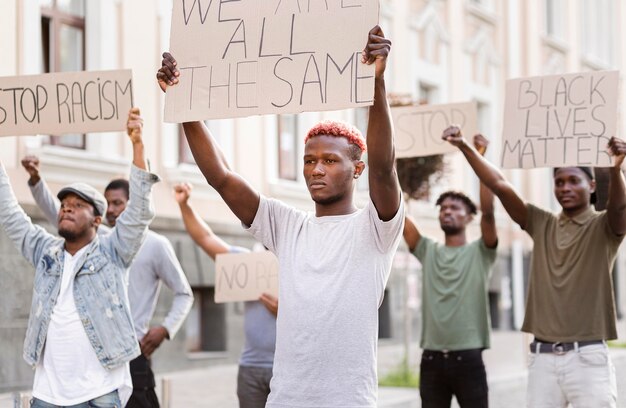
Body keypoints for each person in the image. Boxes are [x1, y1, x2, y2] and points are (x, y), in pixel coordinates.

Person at [157, 25, 404, 407]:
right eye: (308, 160)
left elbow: (385, 167)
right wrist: (184, 107)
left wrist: (376, 85)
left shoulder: (375, 228)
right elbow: (222, 178)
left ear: (356, 170)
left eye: (329, 161)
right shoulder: (287, 225)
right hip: (286, 399)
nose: (315, 169)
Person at [442, 125, 626, 407]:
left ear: (591, 186)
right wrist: (465, 146)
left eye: (573, 180)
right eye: (559, 181)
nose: (564, 187)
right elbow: (500, 186)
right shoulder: (542, 223)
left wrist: (616, 170)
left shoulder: (604, 226)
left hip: (588, 359)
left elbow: (619, 207)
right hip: (542, 360)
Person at [0, 108, 159, 407]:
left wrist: (138, 145)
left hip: (98, 394)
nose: (67, 208)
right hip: (47, 395)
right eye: (63, 204)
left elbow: (138, 212)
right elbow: (10, 213)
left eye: (77, 204)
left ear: (97, 220)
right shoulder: (44, 252)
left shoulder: (113, 252)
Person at [21, 151, 194, 408]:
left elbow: (184, 293)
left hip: (132, 349)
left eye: (118, 203)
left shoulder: (156, 244)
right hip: (96, 351)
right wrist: (36, 180)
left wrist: (165, 329)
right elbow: (55, 212)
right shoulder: (97, 238)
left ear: (132, 203)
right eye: (108, 204)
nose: (112, 209)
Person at [403, 134, 497, 408]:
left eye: (455, 207)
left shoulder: (482, 251)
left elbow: (489, 211)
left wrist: (478, 157)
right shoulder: (428, 249)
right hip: (431, 359)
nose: (447, 211)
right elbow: (400, 217)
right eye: (443, 208)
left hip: (468, 358)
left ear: (469, 217)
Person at [174, 182, 278, 408]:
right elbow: (205, 238)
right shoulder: (248, 261)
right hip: (250, 368)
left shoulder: (300, 265)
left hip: (288, 368)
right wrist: (185, 206)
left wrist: (286, 311)